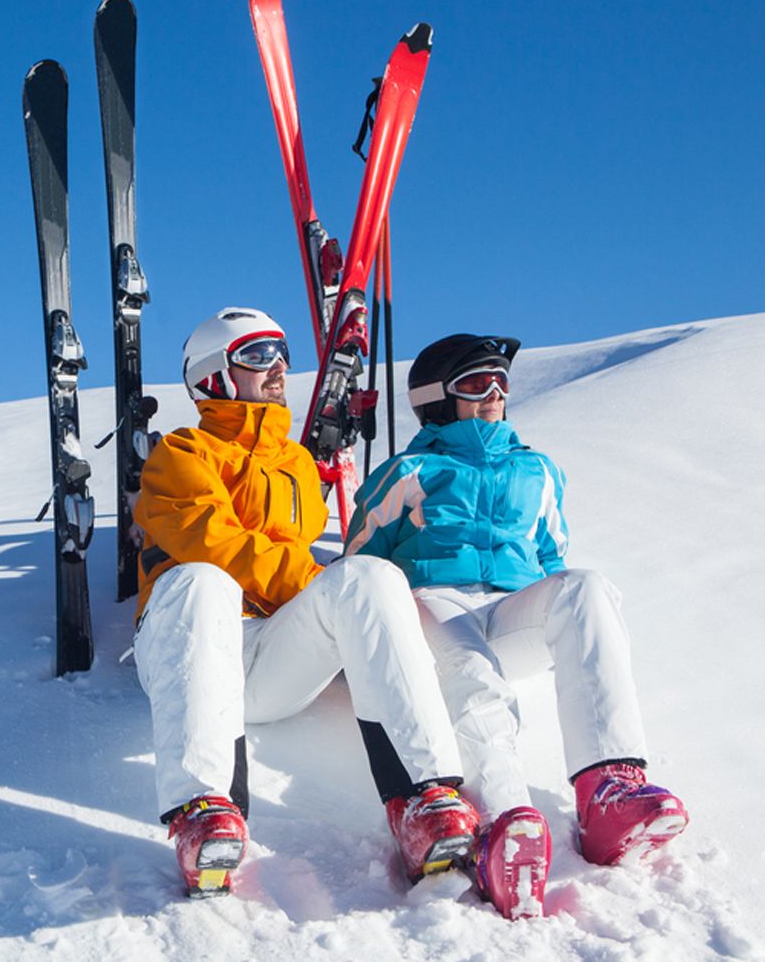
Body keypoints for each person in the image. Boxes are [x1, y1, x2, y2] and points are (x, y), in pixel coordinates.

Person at [131, 307, 492, 901]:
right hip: (190, 649)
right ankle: (204, 809)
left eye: (280, 353)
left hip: (270, 657)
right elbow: (220, 547)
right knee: (203, 579)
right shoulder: (180, 454)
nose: (276, 367)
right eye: (255, 355)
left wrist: (345, 611)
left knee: (368, 577)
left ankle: (424, 799)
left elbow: (305, 575)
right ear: (213, 375)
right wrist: (314, 587)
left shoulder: (298, 465)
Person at [346, 333, 690, 918]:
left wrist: (553, 602)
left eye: (502, 383)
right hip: (433, 600)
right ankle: (504, 823)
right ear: (435, 398)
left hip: (511, 606)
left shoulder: (539, 470)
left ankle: (610, 791)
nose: (495, 394)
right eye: (477, 384)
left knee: (586, 588)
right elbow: (360, 562)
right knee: (471, 671)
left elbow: (552, 557)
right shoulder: (409, 469)